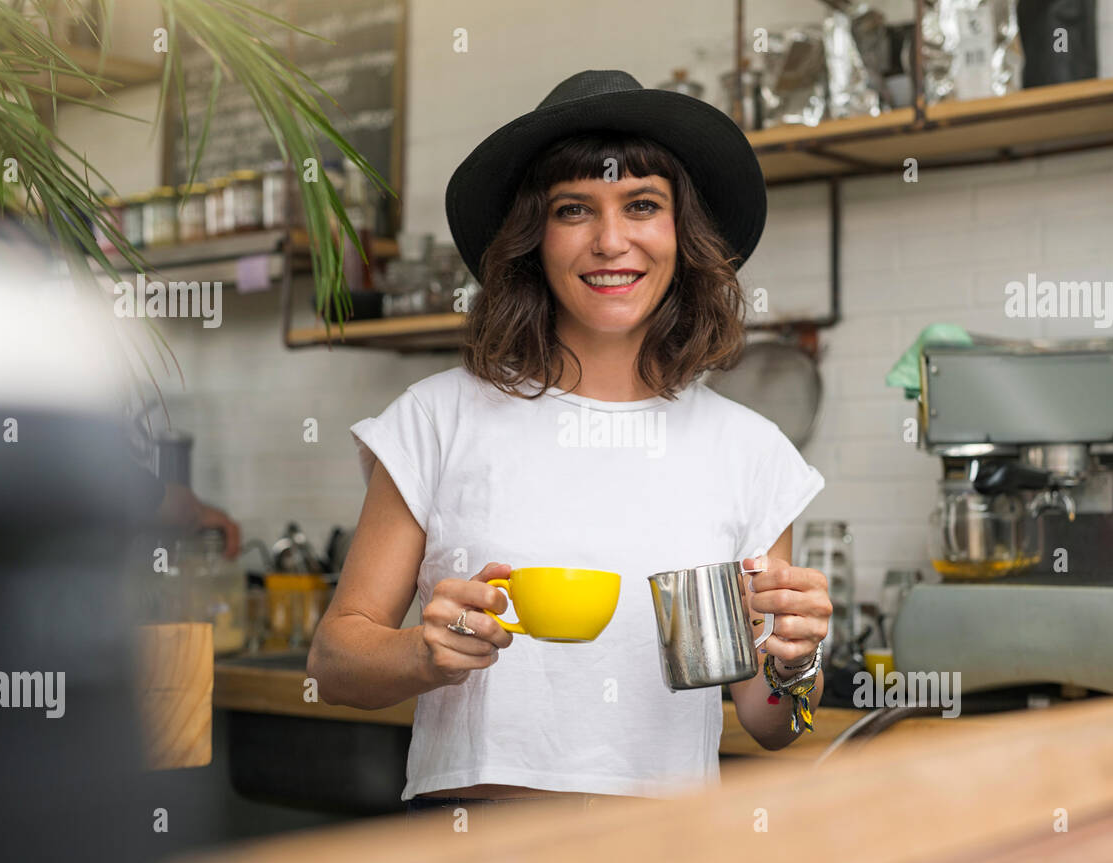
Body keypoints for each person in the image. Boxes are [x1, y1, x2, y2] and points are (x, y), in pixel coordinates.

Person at [308, 70, 831, 815]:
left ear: (683, 234)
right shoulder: (437, 418)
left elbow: (768, 721)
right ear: (533, 238)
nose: (610, 241)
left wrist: (797, 659)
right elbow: (333, 661)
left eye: (643, 206)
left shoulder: (751, 453)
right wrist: (420, 653)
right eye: (574, 209)